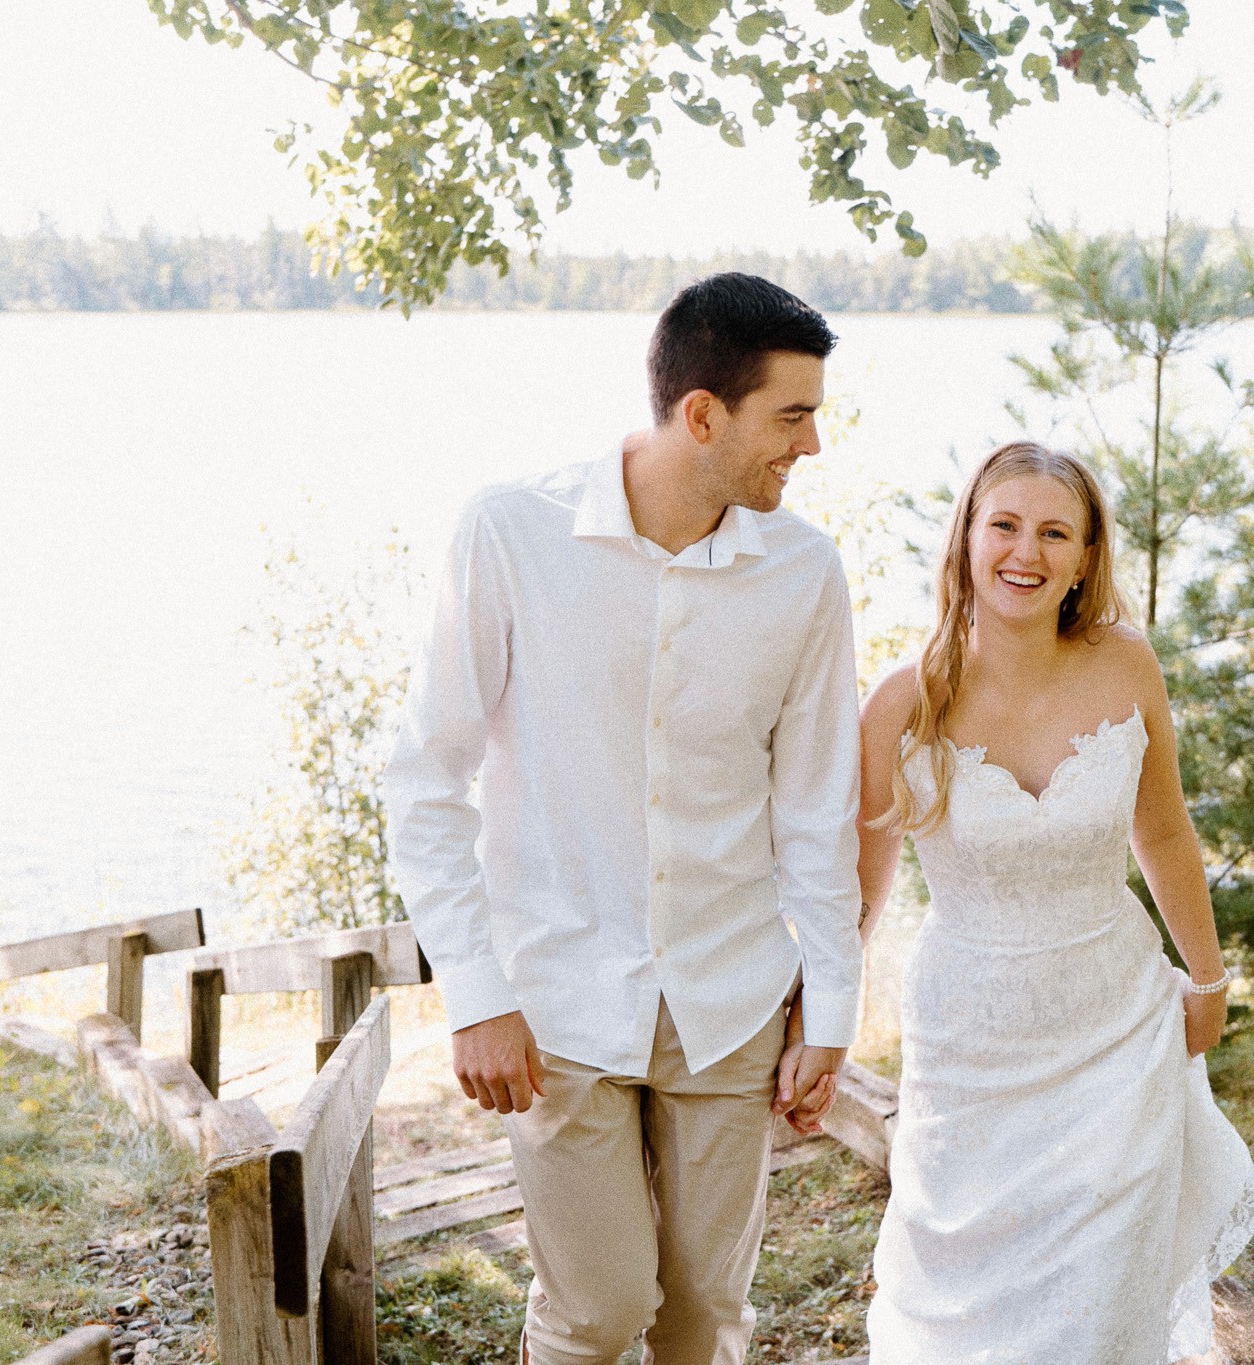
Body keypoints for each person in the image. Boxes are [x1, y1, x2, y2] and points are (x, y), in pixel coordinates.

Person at [383, 272, 865, 1365]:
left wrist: (830, 1002)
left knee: (703, 1318)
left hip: (730, 996)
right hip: (555, 999)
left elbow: (814, 808)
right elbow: (424, 777)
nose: (812, 446)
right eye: (792, 416)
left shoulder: (803, 572)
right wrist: (476, 993)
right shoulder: (510, 533)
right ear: (703, 414)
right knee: (596, 1310)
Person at [856, 441, 1254, 1364]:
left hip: (1115, 1029)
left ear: (1086, 557)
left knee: (1102, 1306)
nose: (1025, 553)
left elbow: (1161, 833)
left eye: (1054, 533)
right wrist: (816, 1033)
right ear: (966, 537)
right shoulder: (902, 703)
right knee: (966, 1302)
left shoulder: (1126, 665)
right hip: (972, 1045)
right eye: (1004, 525)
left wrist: (1208, 976)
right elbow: (857, 899)